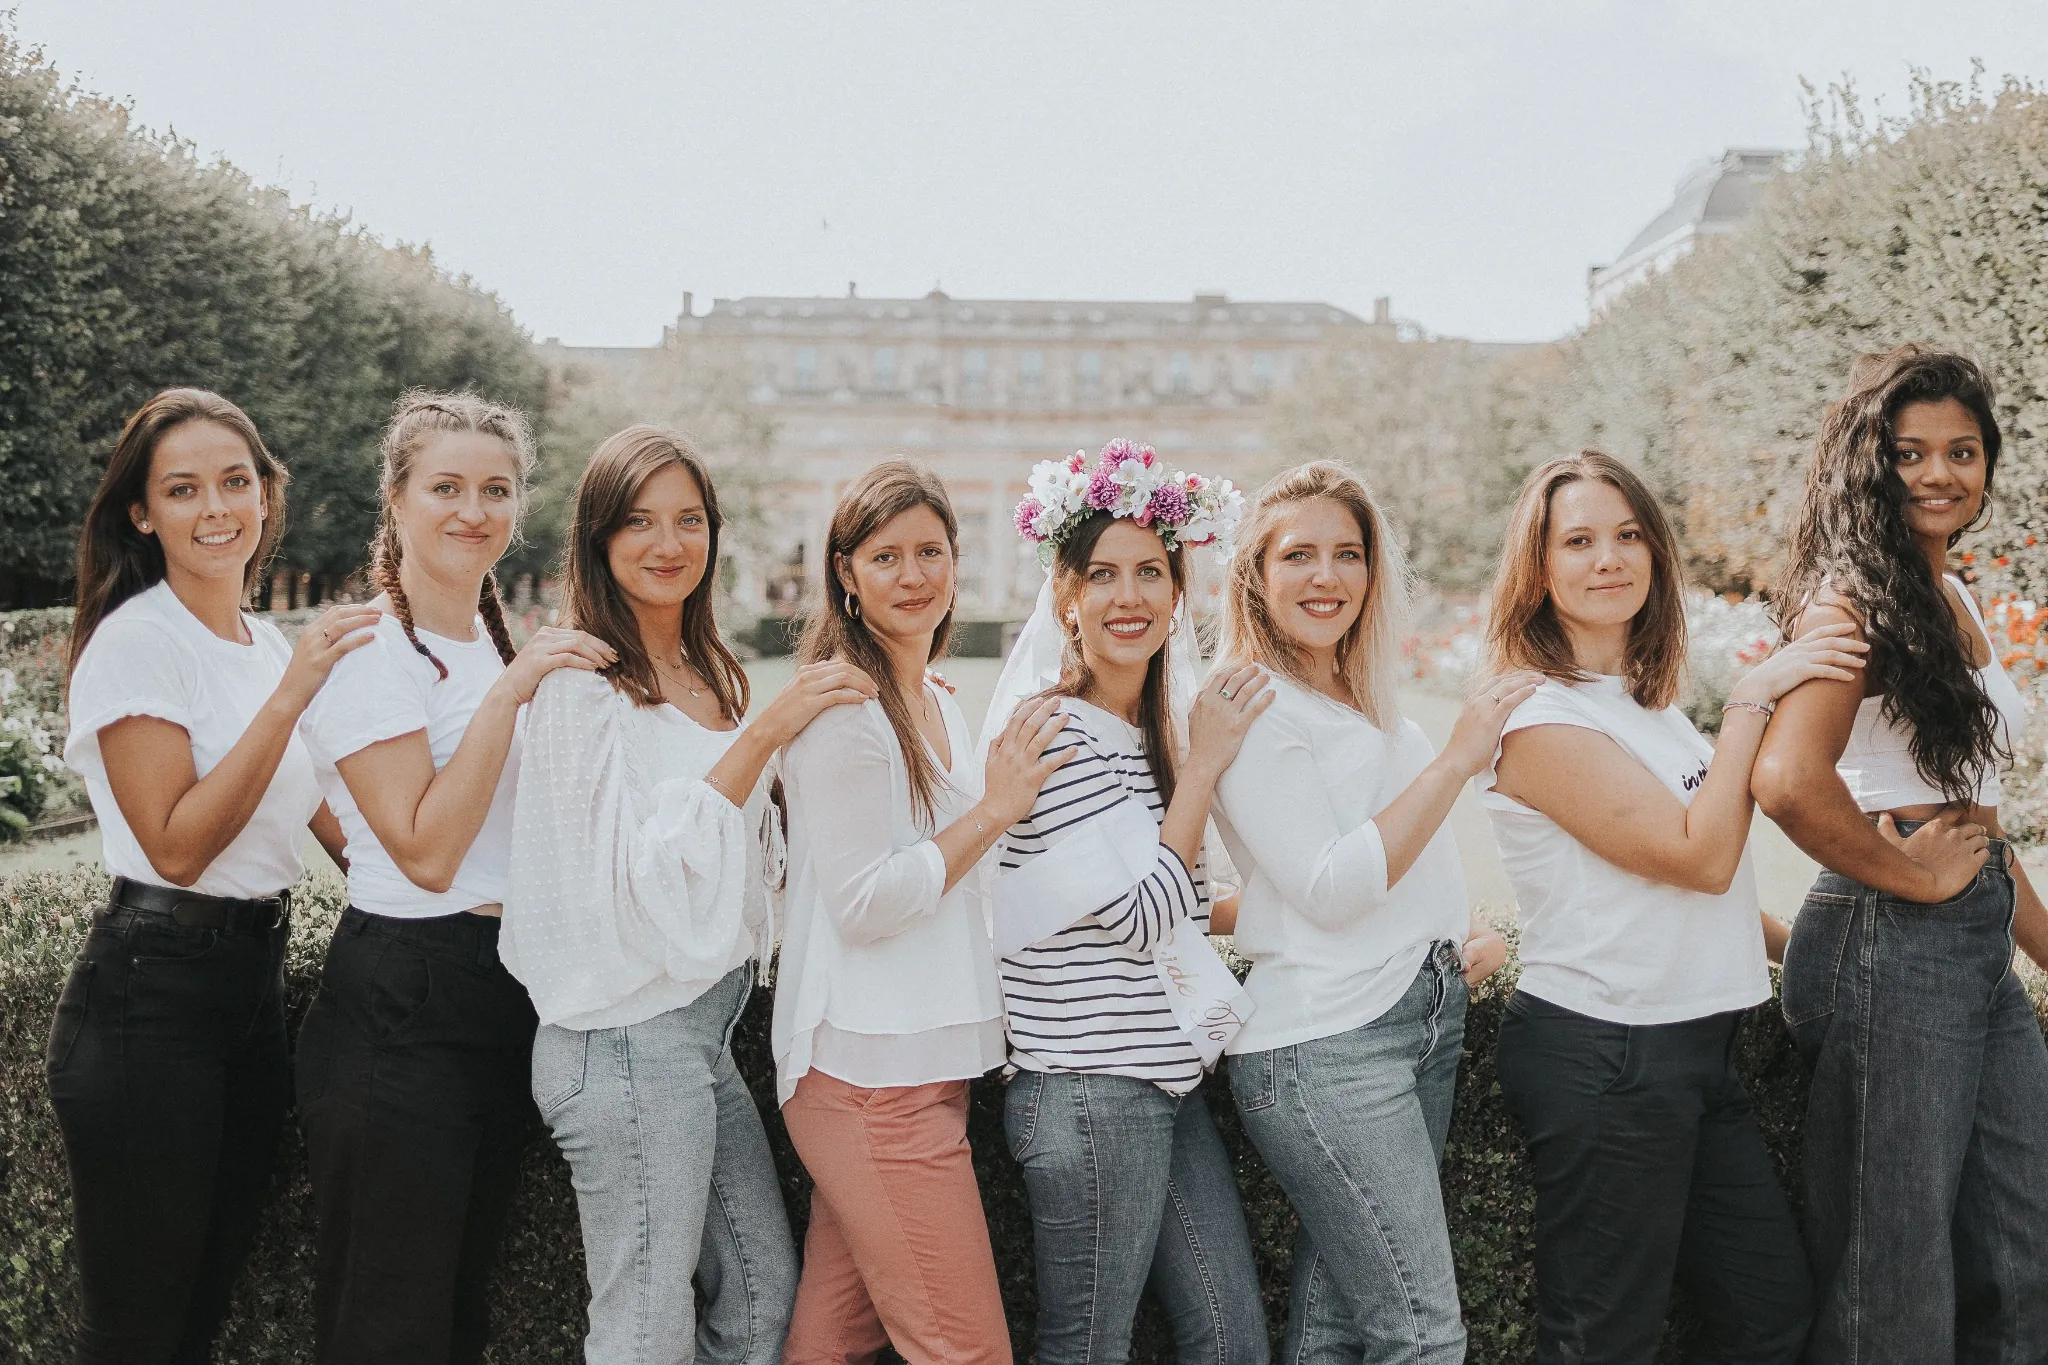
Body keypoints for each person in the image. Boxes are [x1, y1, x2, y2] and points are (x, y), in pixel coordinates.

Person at [503, 426, 877, 1364]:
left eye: (689, 519)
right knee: (643, 1323)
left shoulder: (714, 673)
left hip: (698, 1033)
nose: (669, 543)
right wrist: (768, 732)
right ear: (597, 537)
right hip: (621, 1034)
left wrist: (892, 724)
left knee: (759, 1304)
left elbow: (751, 841)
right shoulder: (581, 686)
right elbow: (627, 879)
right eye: (639, 521)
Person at [1479, 450, 1860, 1364]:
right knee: (1602, 1340)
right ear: (1538, 567)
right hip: (1606, 1051)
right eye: (1578, 540)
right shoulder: (1536, 716)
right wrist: (1751, 701)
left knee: (1770, 1315)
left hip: (1694, 1051)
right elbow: (1700, 855)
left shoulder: (1645, 707)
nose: (1609, 558)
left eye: (1628, 534)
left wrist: (1821, 958)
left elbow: (1713, 895)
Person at [47, 388, 378, 1365]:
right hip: (149, 996)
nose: (218, 507)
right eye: (184, 489)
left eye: (237, 481)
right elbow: (177, 847)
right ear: (142, 513)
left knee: (198, 1314)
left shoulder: (259, 645)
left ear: (269, 493)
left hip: (248, 995)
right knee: (139, 1332)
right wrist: (292, 697)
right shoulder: (139, 641)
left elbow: (351, 837)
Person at [295, 391, 614, 1365]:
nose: (473, 509)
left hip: (503, 987)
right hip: (406, 1000)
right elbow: (423, 851)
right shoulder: (367, 650)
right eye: (446, 487)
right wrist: (516, 695)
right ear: (395, 499)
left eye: (496, 489)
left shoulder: (491, 641)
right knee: (389, 1326)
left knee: (457, 1311)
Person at [1753, 345, 2048, 1361]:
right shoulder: (1846, 600)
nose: (1937, 473)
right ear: (1865, 464)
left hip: (1964, 942)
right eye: (1909, 451)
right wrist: (1912, 877)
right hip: (1884, 939)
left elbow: (1976, 828)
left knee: (2021, 1248)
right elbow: (1790, 780)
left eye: (1960, 452)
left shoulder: (1952, 597)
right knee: (1895, 1269)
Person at [1209, 460, 1529, 1364]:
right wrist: (1460, 757)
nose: (1327, 576)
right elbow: (1329, 884)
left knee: (1340, 1323)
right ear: (1256, 576)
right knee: (1423, 1334)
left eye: (1347, 553)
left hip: (1409, 1016)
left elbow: (1383, 865)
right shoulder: (1251, 702)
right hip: (1327, 1045)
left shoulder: (1359, 696)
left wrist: (1438, 944)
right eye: (1298, 555)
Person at [773, 459, 1067, 1365]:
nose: (914, 574)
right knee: (969, 1351)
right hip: (870, 1083)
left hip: (922, 1070)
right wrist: (996, 808)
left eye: (930, 551)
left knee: (833, 1338)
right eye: (887, 555)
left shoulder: (937, 699)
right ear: (847, 575)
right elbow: (865, 904)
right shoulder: (843, 709)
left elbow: (969, 881)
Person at [984, 440, 1270, 1364]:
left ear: (1179, 594)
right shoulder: (1053, 733)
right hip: (1087, 1090)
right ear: (1066, 596)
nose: (1129, 595)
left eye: (1151, 572)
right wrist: (1209, 760)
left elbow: (1182, 898)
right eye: (1102, 574)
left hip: (1165, 1082)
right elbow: (1149, 914)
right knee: (1086, 1345)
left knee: (1229, 1341)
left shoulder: (1145, 739)